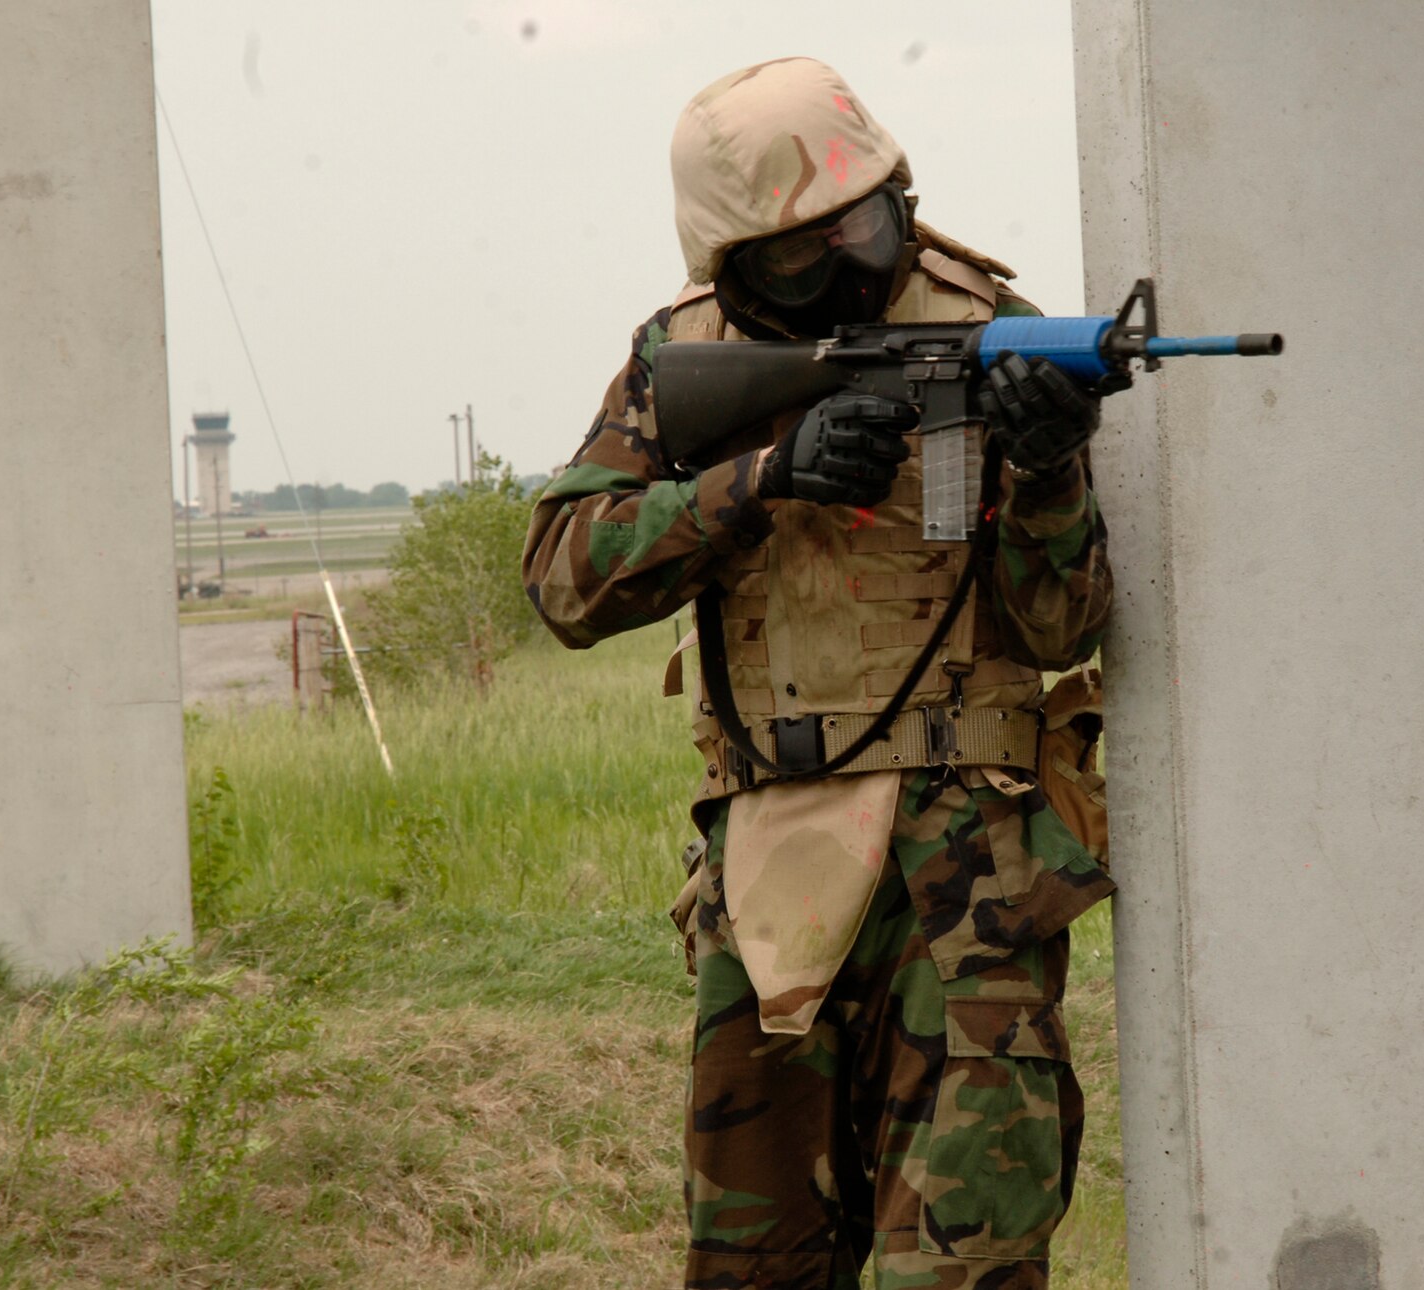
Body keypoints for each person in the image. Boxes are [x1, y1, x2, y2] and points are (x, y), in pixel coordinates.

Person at [522, 56, 1115, 1289]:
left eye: (868, 224)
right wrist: (763, 480)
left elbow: (1061, 631)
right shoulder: (682, 360)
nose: (851, 265)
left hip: (969, 874)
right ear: (734, 269)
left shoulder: (994, 331)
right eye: (801, 255)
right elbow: (565, 580)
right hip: (773, 869)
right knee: (756, 1258)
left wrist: (1048, 472)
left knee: (961, 1256)